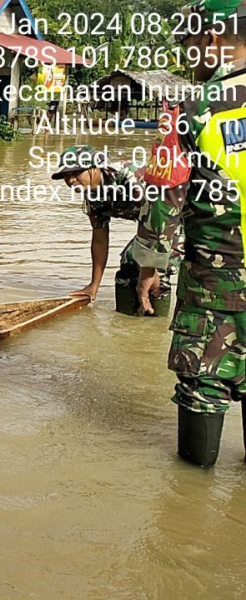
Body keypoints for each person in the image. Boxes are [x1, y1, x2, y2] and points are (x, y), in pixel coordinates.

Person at [132, 0, 246, 468]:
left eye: (188, 43)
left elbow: (165, 198)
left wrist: (150, 267)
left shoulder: (194, 110)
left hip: (214, 286)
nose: (186, 55)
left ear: (212, 39)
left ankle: (191, 497)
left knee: (203, 384)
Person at [51, 144, 179, 308]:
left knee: (157, 271)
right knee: (128, 264)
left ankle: (155, 320)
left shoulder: (129, 180)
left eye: (76, 173)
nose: (70, 181)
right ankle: (126, 322)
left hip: (173, 221)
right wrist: (94, 286)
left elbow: (160, 218)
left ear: (95, 167)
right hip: (151, 227)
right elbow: (100, 240)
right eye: (66, 176)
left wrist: (150, 267)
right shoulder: (92, 193)